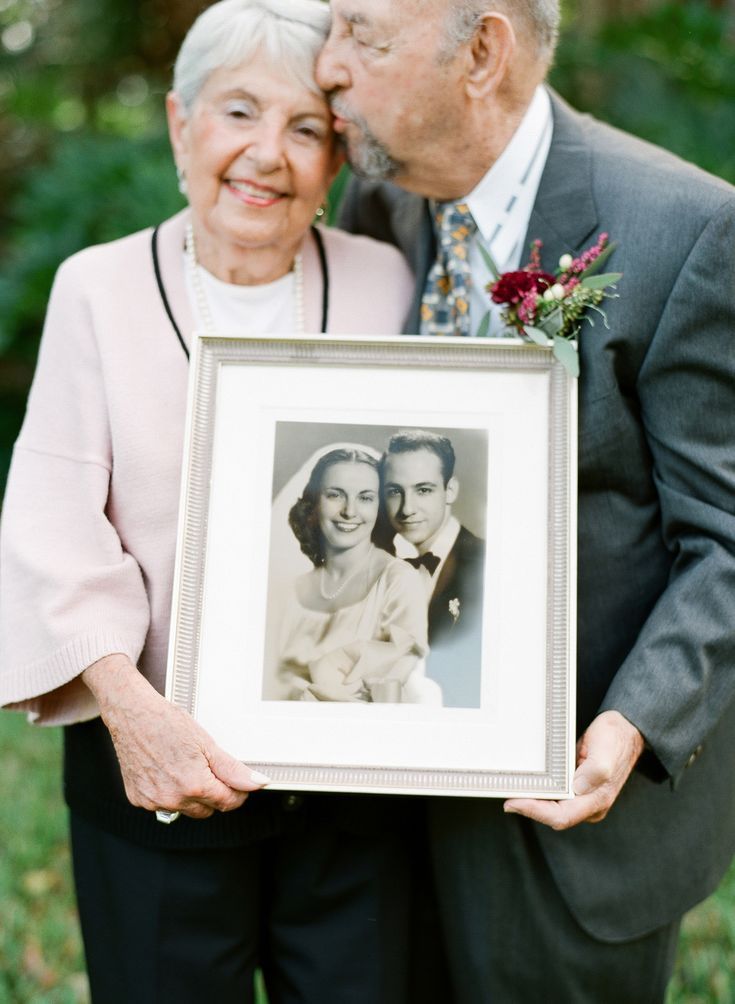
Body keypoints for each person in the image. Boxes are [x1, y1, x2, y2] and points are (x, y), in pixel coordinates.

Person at [0, 2, 420, 1002]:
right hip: (153, 767)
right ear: (182, 122)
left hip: (354, 779)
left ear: (337, 160)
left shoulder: (386, 282)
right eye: (239, 112)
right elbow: (54, 517)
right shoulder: (94, 290)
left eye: (307, 127)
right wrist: (131, 713)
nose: (268, 154)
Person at [316, 1, 735, 1001]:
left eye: (363, 37)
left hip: (569, 819)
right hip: (381, 808)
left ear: (482, 52)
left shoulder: (683, 227)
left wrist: (631, 725)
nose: (326, 67)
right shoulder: (378, 209)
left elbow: (723, 540)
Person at [278, 446, 440, 704]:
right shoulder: (291, 589)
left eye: (365, 498)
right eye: (335, 495)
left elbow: (393, 684)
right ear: (314, 503)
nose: (349, 511)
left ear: (380, 508)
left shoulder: (398, 581)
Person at [381, 430, 485, 708]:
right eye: (394, 491)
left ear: (450, 491)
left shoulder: (486, 563)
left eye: (423, 490)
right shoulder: (383, 564)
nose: (407, 508)